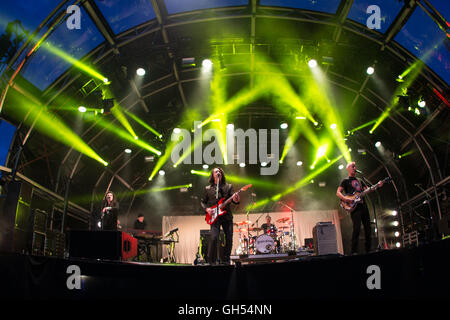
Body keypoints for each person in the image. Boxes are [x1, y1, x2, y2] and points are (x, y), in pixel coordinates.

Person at [336, 162, 384, 255]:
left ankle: (368, 250)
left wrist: (377, 185)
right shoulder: (345, 181)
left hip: (363, 206)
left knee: (368, 228)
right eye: (353, 166)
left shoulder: (360, 180)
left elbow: (368, 189)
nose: (355, 167)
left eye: (355, 166)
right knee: (357, 228)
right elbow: (338, 192)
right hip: (355, 208)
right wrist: (346, 199)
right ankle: (354, 251)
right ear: (348, 168)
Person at [201, 167, 240, 265]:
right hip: (214, 217)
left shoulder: (228, 186)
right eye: (216, 171)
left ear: (222, 174)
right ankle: (211, 260)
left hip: (226, 216)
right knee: (214, 237)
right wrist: (207, 209)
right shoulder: (208, 189)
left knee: (229, 238)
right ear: (213, 175)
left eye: (219, 171)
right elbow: (203, 202)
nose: (218, 172)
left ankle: (226, 259)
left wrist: (236, 199)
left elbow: (235, 201)